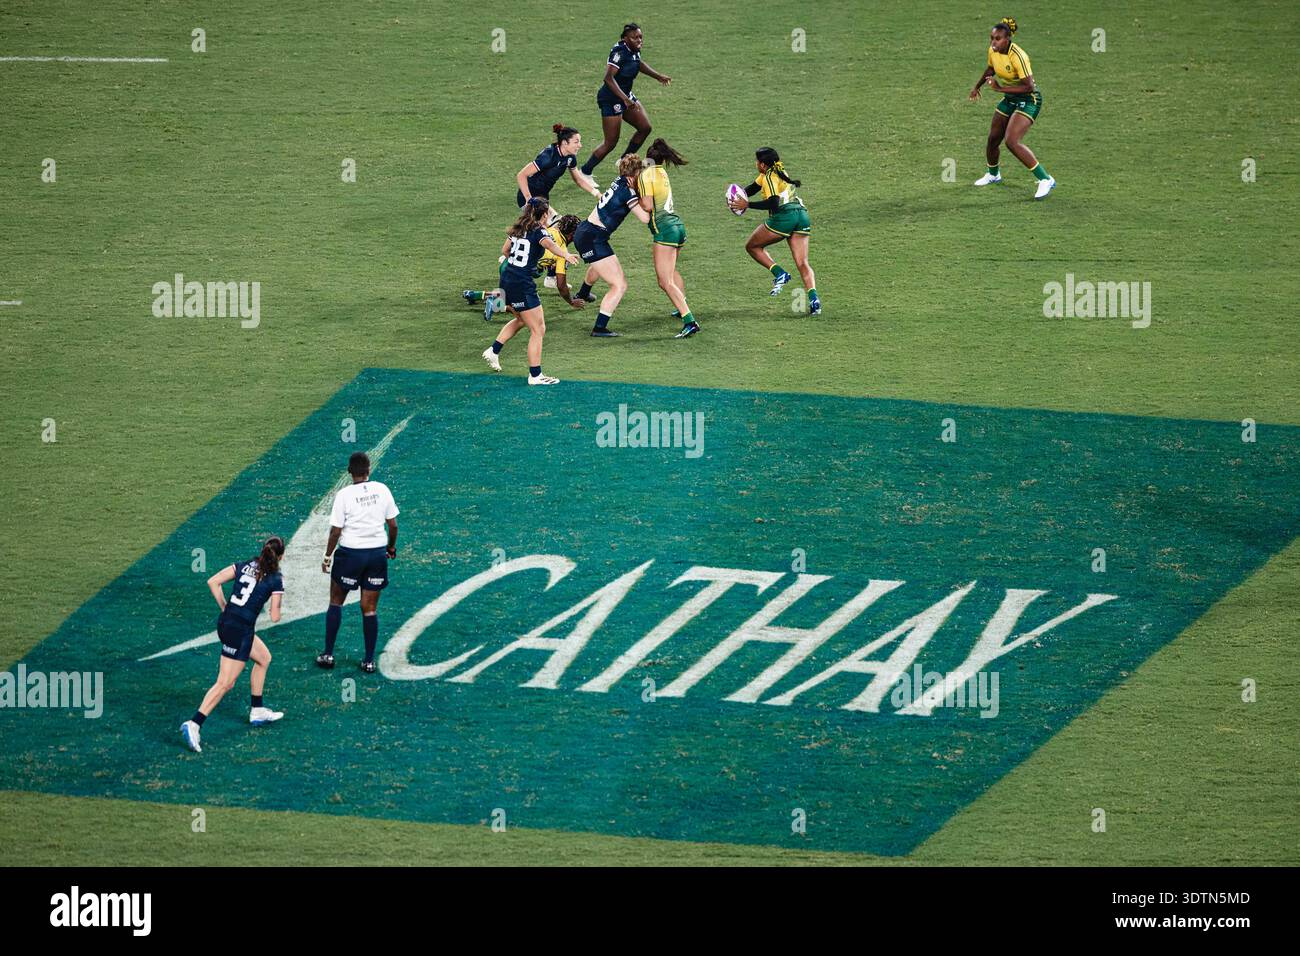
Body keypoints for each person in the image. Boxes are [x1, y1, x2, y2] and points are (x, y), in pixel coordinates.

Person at [180, 536, 286, 753]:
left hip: (227, 623)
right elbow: (275, 617)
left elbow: (213, 581)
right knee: (225, 683)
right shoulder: (275, 579)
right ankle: (194, 724)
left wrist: (224, 607)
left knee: (264, 658)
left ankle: (257, 710)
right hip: (241, 631)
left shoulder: (245, 564)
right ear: (280, 556)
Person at [481, 198, 580, 384]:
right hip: (522, 283)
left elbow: (505, 250)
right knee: (538, 328)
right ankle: (535, 375)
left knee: (521, 319)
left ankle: (493, 351)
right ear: (543, 214)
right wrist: (566, 255)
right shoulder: (539, 230)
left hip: (507, 277)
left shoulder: (518, 228)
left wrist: (519, 264)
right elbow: (548, 245)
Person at [316, 452, 399, 672]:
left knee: (336, 601)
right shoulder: (382, 490)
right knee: (369, 609)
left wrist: (327, 556)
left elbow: (336, 531)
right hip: (376, 554)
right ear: (368, 469)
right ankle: (369, 660)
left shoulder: (344, 495)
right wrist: (390, 548)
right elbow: (393, 526)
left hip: (351, 554)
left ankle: (328, 655)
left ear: (349, 472)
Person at [968, 17, 1056, 199]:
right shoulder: (993, 51)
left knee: (1011, 141)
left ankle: (1045, 179)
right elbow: (990, 69)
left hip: (1029, 99)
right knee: (993, 138)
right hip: (1010, 98)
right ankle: (993, 174)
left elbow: (1029, 87)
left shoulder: (1018, 56)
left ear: (1007, 39)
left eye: (998, 39)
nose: (993, 42)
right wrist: (977, 86)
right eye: (991, 38)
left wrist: (999, 88)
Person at [727, 147, 820, 315]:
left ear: (762, 164)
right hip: (802, 215)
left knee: (752, 246)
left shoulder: (769, 176)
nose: (755, 164)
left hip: (785, 217)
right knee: (802, 263)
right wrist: (735, 195)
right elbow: (753, 188)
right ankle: (814, 300)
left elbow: (773, 204)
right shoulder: (777, 169)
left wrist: (747, 205)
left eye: (757, 161)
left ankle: (780, 274)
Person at [578, 23, 670, 183]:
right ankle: (585, 172)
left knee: (645, 127)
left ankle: (623, 161)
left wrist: (657, 76)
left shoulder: (633, 50)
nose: (639, 40)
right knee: (611, 142)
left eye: (640, 37)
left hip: (626, 96)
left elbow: (638, 63)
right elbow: (608, 78)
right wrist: (625, 99)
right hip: (611, 99)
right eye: (635, 38)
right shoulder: (619, 52)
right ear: (625, 39)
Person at [572, 153, 650, 338]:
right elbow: (645, 218)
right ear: (633, 175)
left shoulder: (619, 180)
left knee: (600, 263)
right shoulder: (628, 192)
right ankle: (599, 328)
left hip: (587, 231)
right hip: (593, 237)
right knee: (619, 285)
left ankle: (583, 294)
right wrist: (649, 198)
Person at [514, 124, 601, 287]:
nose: (580, 145)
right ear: (565, 143)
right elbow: (521, 175)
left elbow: (578, 179)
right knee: (549, 234)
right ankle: (535, 268)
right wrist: (528, 200)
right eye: (576, 141)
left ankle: (546, 273)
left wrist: (596, 193)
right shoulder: (548, 156)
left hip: (543, 201)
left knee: (555, 233)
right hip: (532, 201)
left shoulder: (569, 158)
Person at [464, 215, 587, 320]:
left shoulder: (546, 230)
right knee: (525, 313)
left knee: (511, 294)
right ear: (572, 235)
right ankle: (496, 304)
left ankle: (474, 294)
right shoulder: (562, 252)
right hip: (519, 274)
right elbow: (561, 285)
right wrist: (571, 302)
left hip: (508, 265)